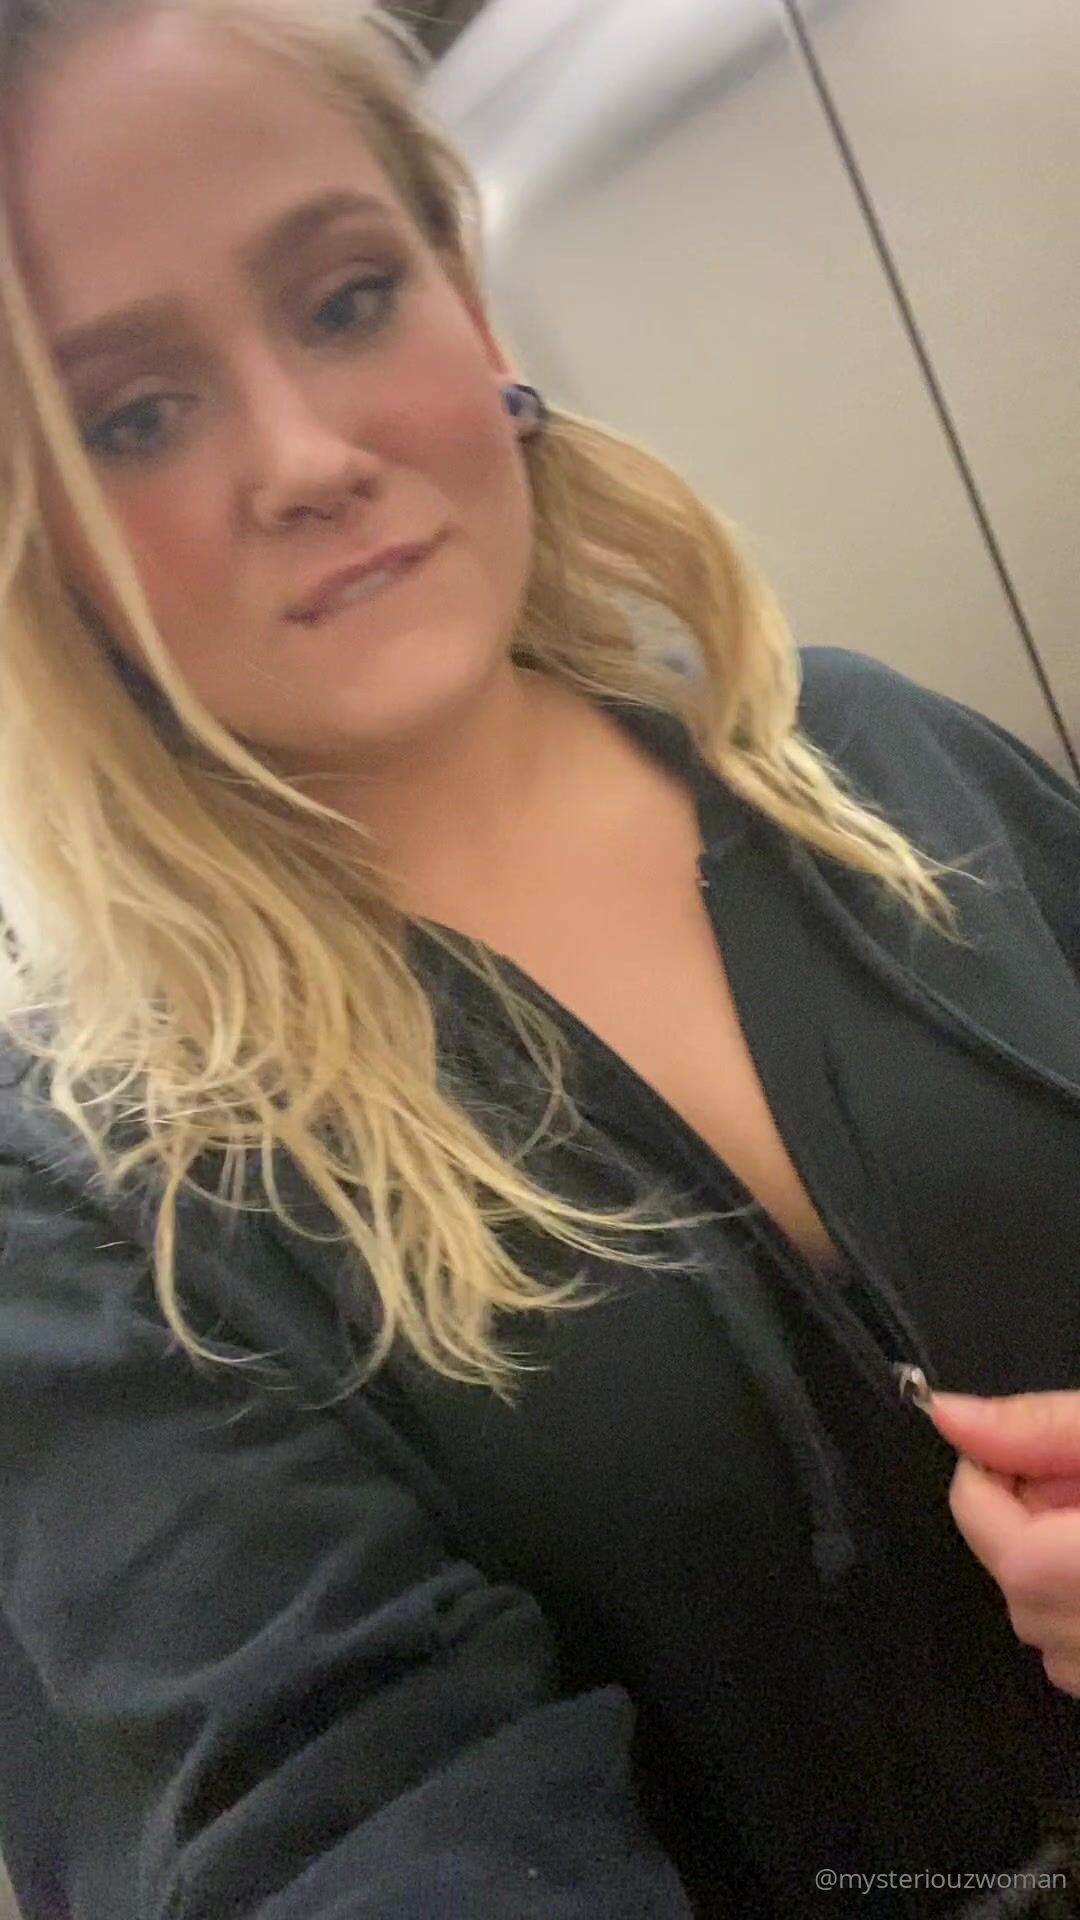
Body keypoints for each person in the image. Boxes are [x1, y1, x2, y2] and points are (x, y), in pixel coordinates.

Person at [0, 1, 1078, 1914]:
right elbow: (329, 1812)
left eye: (347, 299)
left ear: (471, 304)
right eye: (133, 417)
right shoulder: (99, 1205)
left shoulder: (879, 757)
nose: (308, 456)